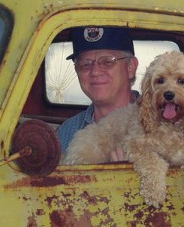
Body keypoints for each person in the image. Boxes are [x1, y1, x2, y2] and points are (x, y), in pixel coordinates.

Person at [57, 27, 139, 162]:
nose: (95, 72)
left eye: (107, 62)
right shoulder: (67, 132)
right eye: (85, 64)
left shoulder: (158, 124)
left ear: (131, 67)